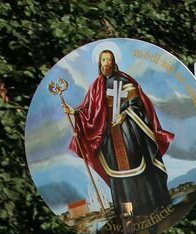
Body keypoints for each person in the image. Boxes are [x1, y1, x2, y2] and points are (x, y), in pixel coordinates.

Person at [68, 48, 173, 219]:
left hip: (128, 132)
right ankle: (124, 213)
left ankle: (149, 207)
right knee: (116, 174)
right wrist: (74, 112)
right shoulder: (96, 85)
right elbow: (89, 110)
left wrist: (124, 115)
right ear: (99, 63)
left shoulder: (125, 80)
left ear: (114, 61)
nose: (106, 63)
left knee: (138, 168)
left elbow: (137, 104)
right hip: (108, 134)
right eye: (103, 60)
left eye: (109, 60)